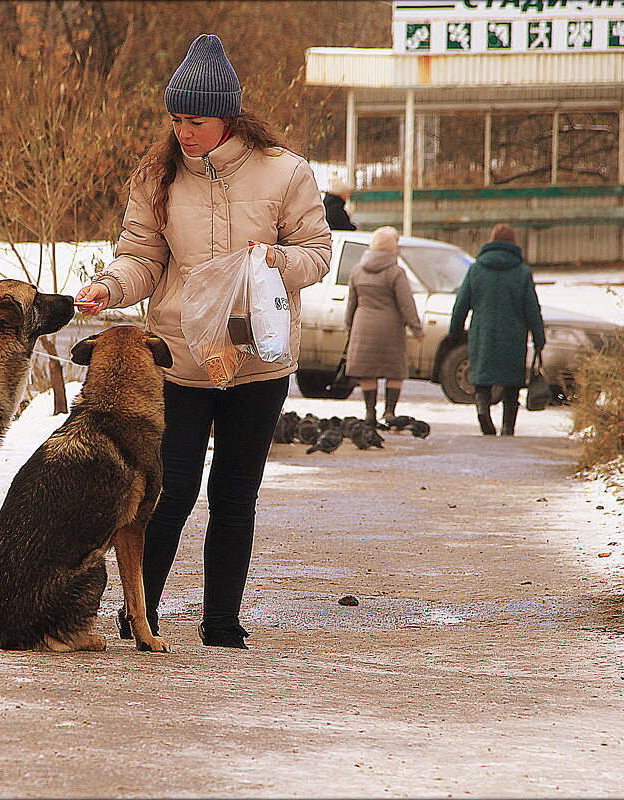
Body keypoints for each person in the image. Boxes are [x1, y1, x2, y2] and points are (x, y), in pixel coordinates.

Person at [75, 33, 332, 649]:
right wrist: (111, 288)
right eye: (176, 120)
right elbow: (144, 258)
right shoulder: (157, 176)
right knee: (169, 490)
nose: (183, 132)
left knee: (235, 494)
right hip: (179, 361)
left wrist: (276, 261)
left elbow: (318, 254)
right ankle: (143, 615)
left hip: (257, 362)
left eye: (196, 120)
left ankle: (221, 623)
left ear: (229, 117)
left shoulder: (287, 173)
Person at [449, 223, 545, 436]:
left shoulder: (476, 269)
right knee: (512, 383)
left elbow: (461, 303)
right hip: (513, 335)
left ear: (491, 241)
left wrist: (454, 332)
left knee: (482, 379)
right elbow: (532, 308)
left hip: (483, 333)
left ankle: (483, 409)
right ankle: (508, 426)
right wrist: (539, 337)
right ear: (514, 243)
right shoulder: (521, 272)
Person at [344, 226, 424, 425]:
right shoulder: (396, 272)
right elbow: (407, 304)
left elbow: (350, 305)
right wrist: (417, 329)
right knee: (394, 371)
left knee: (367, 372)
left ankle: (370, 413)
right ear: (392, 248)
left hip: (362, 326)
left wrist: (349, 328)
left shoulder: (356, 270)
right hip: (390, 328)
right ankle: (389, 413)